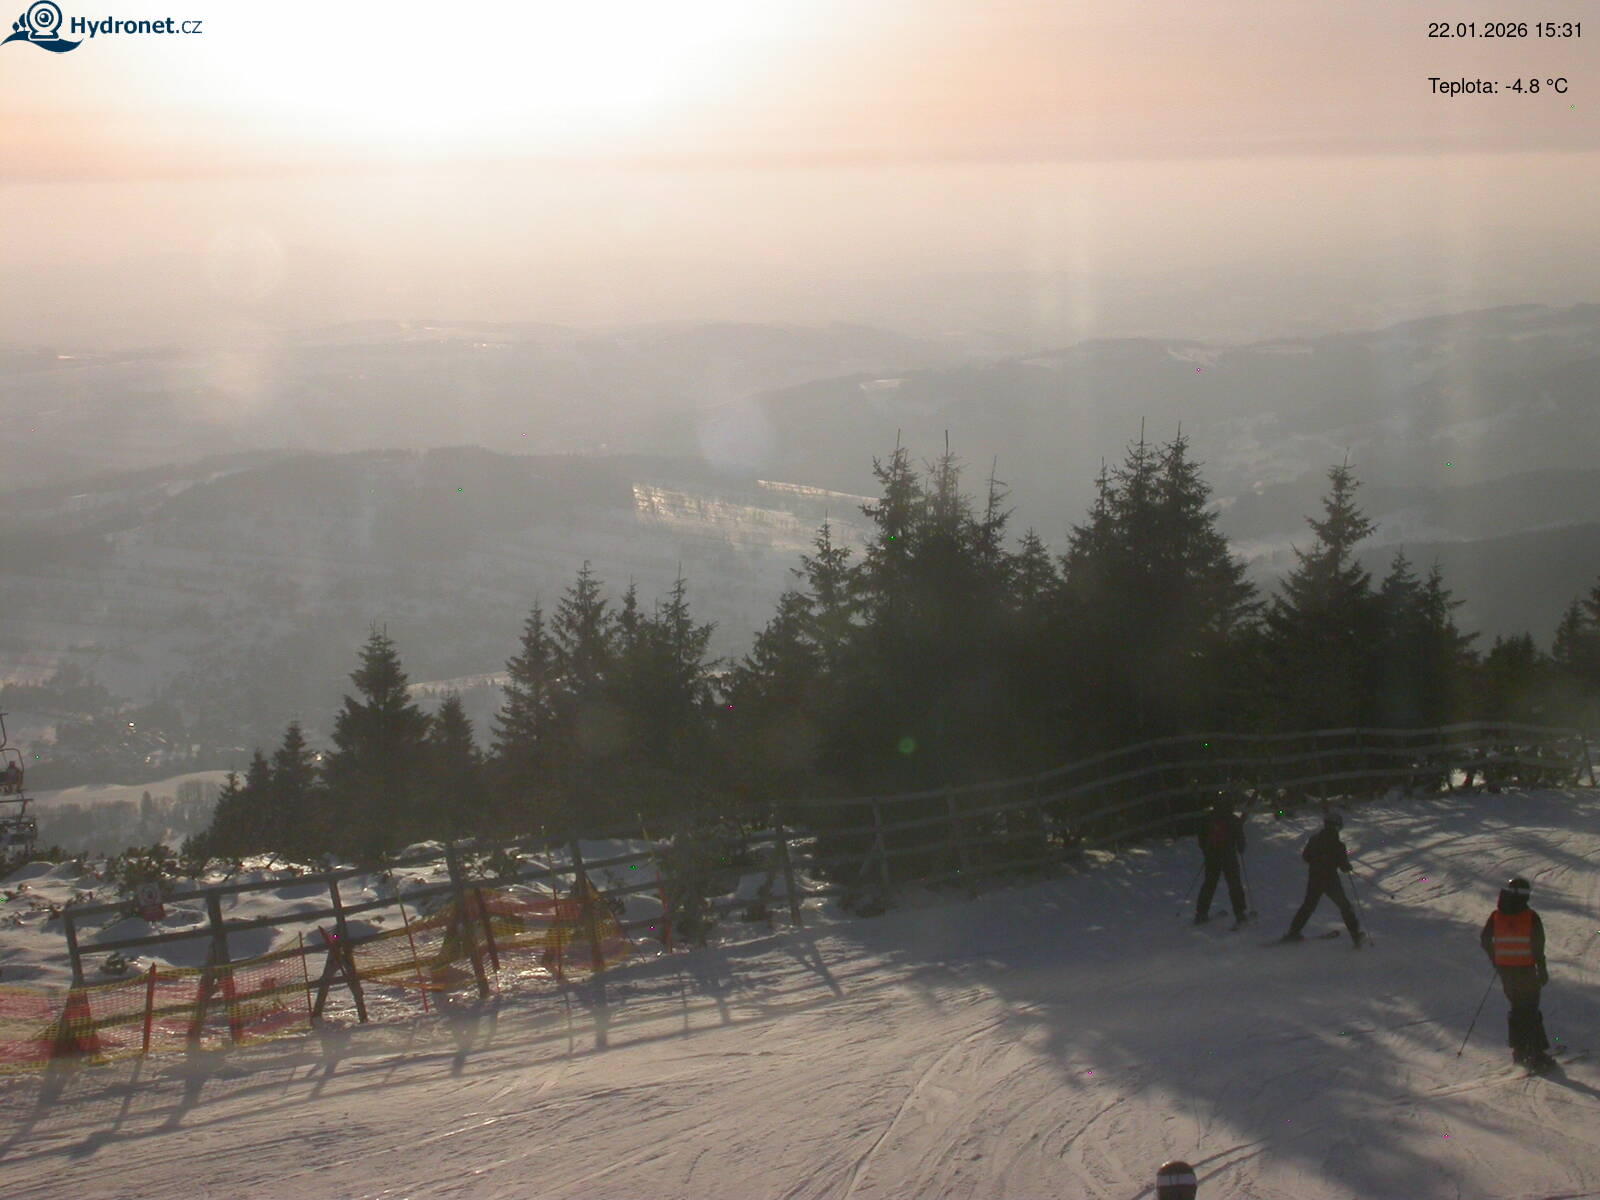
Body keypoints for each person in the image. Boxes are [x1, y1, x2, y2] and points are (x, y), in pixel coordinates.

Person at [1479, 877, 1554, 1071]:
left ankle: (1520, 1049)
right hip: (1526, 970)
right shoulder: (1530, 916)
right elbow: (1538, 946)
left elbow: (1485, 939)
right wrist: (1542, 970)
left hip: (1506, 971)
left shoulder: (1497, 915)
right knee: (1530, 1010)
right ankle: (1536, 1053)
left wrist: (1496, 959)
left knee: (1517, 1008)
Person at [1281, 812, 1365, 945]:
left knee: (1308, 906)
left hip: (1314, 878)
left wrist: (1318, 861)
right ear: (1337, 827)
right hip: (1331, 880)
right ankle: (1355, 936)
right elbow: (1343, 866)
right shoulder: (1338, 845)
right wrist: (1346, 866)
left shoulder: (1314, 839)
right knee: (1345, 906)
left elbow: (1306, 856)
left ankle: (1293, 932)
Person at [1194, 795, 1248, 928]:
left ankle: (1201, 913)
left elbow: (1201, 837)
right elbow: (1240, 839)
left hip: (1212, 855)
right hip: (1228, 855)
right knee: (1234, 883)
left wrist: (1206, 851)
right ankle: (1240, 913)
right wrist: (1240, 848)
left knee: (1209, 883)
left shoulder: (1208, 818)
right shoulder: (1233, 819)